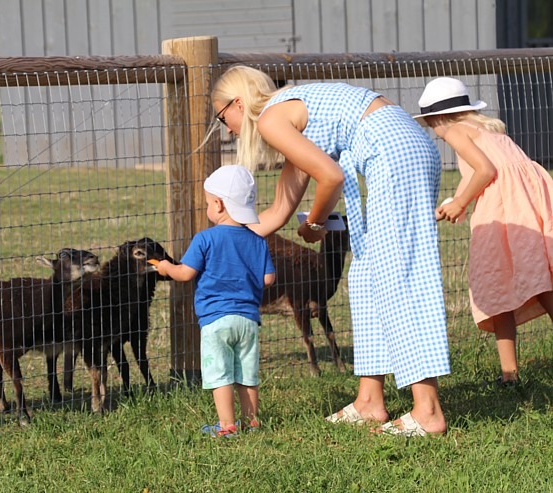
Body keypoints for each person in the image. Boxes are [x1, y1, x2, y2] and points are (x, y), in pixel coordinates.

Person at [207, 65, 450, 436]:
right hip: (399, 146)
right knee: (367, 276)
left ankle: (428, 410)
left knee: (396, 275)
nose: (226, 128)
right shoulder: (288, 117)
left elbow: (331, 177)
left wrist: (316, 223)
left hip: (394, 152)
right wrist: (231, 237)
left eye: (222, 116)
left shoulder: (273, 117)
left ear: (238, 103)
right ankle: (370, 401)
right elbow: (276, 212)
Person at [415, 77, 553, 386]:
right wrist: (456, 203)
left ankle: (510, 374)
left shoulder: (453, 130)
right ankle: (508, 376)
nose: (436, 134)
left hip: (506, 214)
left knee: (522, 283)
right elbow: (487, 171)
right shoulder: (490, 130)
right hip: (527, 206)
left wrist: (462, 200)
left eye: (431, 125)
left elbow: (486, 171)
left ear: (438, 118)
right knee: (513, 281)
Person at [155, 164, 276, 437]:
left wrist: (166, 268)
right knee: (246, 373)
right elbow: (268, 279)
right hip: (248, 320)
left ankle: (227, 426)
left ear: (219, 205)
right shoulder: (257, 240)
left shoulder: (205, 239)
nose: (208, 208)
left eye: (209, 203)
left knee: (220, 374)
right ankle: (251, 423)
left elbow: (185, 274)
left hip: (215, 320)